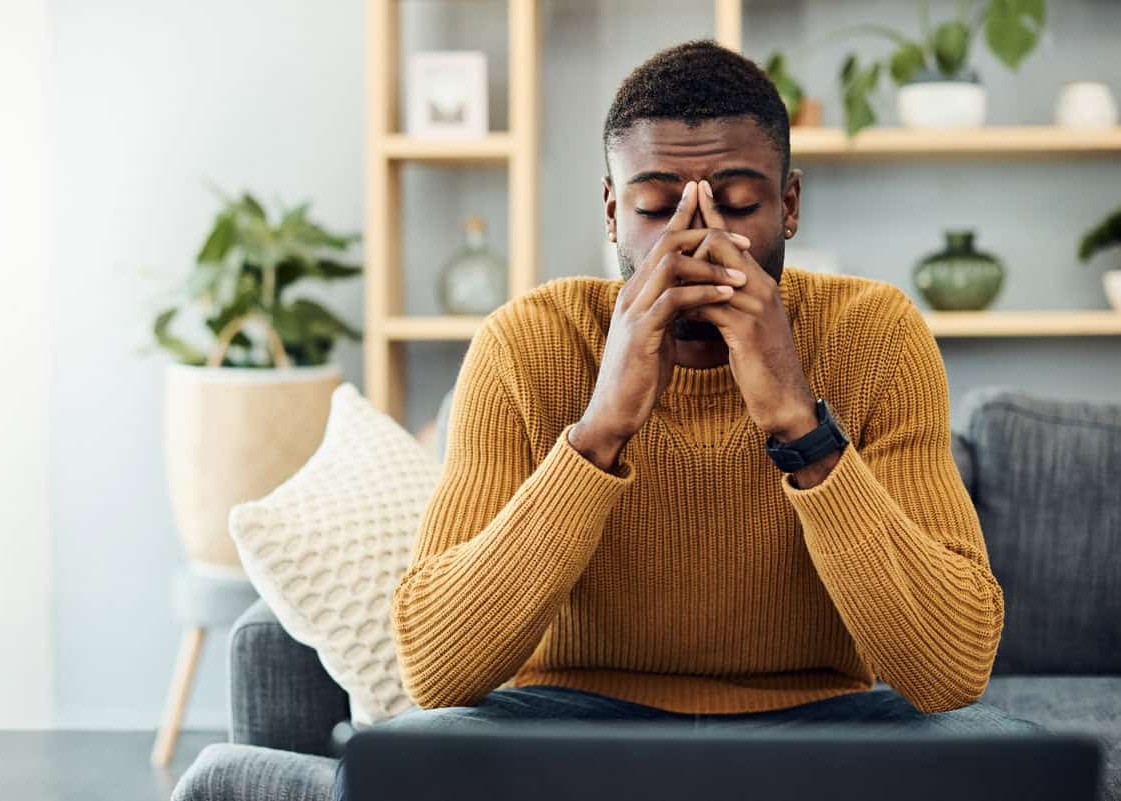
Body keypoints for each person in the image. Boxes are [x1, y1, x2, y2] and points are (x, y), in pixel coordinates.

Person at [335, 38, 1038, 801]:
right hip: (565, 719)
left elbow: (949, 672)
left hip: (820, 720)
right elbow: (437, 670)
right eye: (654, 208)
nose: (697, 240)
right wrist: (600, 429)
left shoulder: (875, 334)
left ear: (788, 205)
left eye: (737, 204)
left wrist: (800, 425)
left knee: (1010, 760)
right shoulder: (524, 342)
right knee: (401, 761)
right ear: (612, 211)